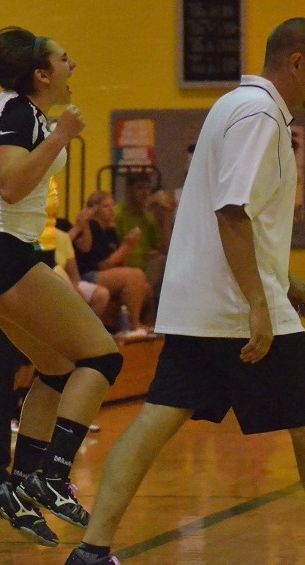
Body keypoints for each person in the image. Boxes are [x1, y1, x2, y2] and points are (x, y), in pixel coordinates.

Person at [65, 18, 305, 565]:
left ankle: (92, 550)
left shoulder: (232, 106)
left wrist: (289, 287)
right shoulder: (260, 115)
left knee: (155, 420)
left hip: (204, 307)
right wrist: (258, 305)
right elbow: (231, 212)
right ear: (296, 63)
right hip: (236, 311)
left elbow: (245, 224)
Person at [0, 26, 122, 544]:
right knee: (103, 359)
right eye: (64, 59)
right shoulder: (20, 112)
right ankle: (52, 475)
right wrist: (62, 136)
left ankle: (20, 485)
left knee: (58, 368)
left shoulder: (16, 111)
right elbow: (14, 182)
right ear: (42, 73)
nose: (73, 67)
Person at [74, 191, 152, 335]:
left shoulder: (110, 231)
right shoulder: (91, 228)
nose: (112, 210)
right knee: (135, 275)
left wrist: (128, 248)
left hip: (104, 274)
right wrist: (126, 246)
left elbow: (121, 264)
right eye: (106, 206)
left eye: (112, 205)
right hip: (88, 275)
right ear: (95, 210)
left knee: (144, 287)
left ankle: (132, 323)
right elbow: (102, 265)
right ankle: (133, 327)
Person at [114, 172, 172, 293]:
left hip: (142, 271)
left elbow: (166, 249)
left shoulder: (147, 218)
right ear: (129, 190)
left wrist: (166, 216)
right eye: (140, 188)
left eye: (148, 188)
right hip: (120, 270)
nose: (145, 193)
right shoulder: (117, 215)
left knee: (166, 261)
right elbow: (114, 253)